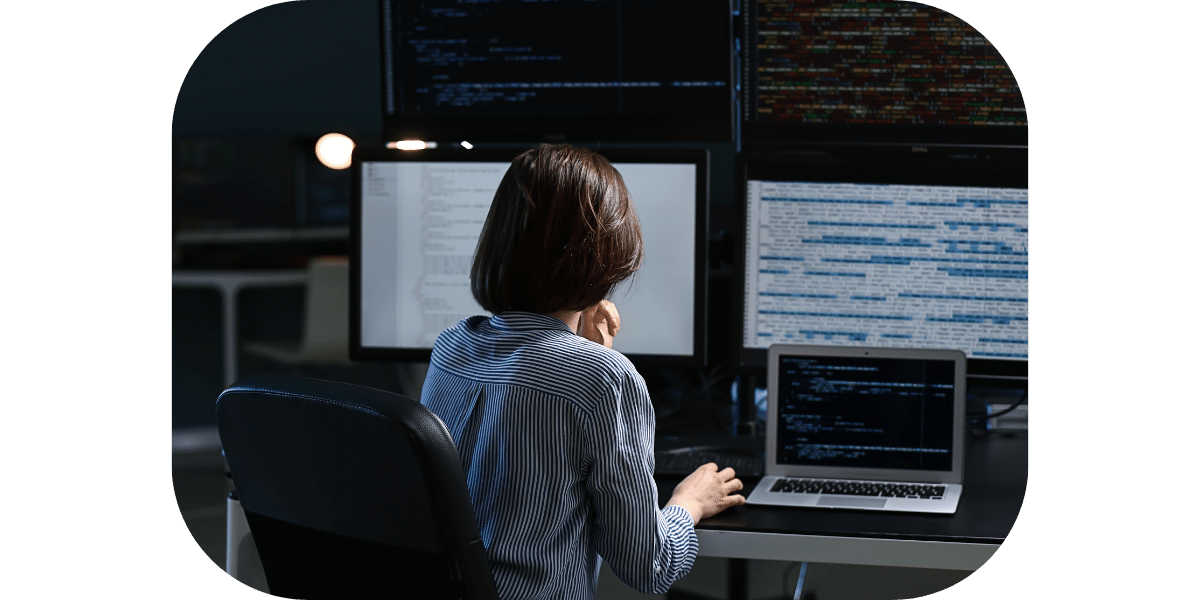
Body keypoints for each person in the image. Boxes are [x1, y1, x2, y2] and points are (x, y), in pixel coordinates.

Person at [420, 144, 745, 599]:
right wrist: (689, 502)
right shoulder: (604, 379)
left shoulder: (451, 346)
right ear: (605, 255)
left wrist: (587, 353)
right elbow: (650, 567)